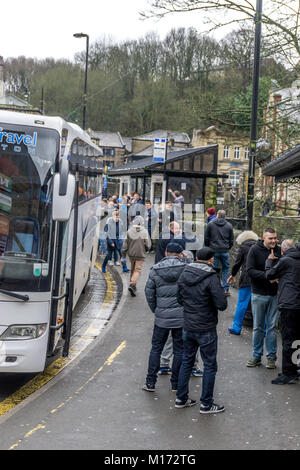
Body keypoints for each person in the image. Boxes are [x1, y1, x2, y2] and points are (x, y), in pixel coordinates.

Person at [175, 248, 227, 413]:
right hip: (206, 327)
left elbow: (179, 299)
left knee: (187, 361)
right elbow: (222, 304)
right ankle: (206, 404)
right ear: (211, 260)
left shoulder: (184, 273)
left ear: (196, 257)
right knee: (210, 364)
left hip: (188, 325)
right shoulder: (211, 277)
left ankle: (181, 398)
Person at [143, 243, 187, 392]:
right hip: (181, 317)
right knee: (180, 350)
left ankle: (150, 382)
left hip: (161, 317)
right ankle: (175, 384)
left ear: (166, 253)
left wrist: (156, 309)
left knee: (156, 349)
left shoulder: (155, 270)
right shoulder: (186, 269)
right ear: (180, 254)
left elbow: (149, 293)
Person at [265, 239, 300, 384]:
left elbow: (269, 275)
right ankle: (295, 368)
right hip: (298, 304)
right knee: (297, 339)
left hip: (289, 305)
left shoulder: (286, 261)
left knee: (287, 339)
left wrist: (269, 261)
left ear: (284, 250)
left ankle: (288, 373)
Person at [246, 227, 281, 369]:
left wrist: (277, 277)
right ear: (263, 237)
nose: (273, 241)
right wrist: (268, 278)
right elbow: (250, 271)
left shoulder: (279, 250)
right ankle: (256, 356)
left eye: (275, 238)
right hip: (258, 294)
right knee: (258, 327)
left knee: (272, 327)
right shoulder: (254, 250)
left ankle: (271, 357)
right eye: (270, 238)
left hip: (275, 295)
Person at [227, 231, 259, 335]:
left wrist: (232, 274)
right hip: (260, 280)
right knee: (260, 306)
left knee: (242, 304)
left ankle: (236, 327)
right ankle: (262, 329)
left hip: (246, 279)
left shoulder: (244, 247)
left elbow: (237, 263)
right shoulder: (261, 246)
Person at [204, 210, 234, 295]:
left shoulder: (210, 224)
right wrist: (228, 247)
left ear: (217, 215)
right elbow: (231, 239)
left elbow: (206, 237)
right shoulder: (229, 225)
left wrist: (208, 248)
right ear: (225, 216)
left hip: (213, 250)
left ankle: (215, 289)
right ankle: (226, 289)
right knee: (225, 269)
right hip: (225, 251)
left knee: (214, 270)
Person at [122, 216, 151, 297]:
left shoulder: (129, 231)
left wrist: (123, 255)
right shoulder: (144, 232)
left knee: (133, 269)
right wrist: (146, 249)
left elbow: (125, 245)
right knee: (137, 270)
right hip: (140, 254)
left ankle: (132, 286)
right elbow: (148, 245)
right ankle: (132, 284)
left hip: (131, 254)